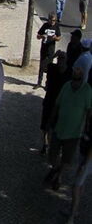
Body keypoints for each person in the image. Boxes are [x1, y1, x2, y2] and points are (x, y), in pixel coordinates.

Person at [45, 63, 92, 191]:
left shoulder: (87, 90)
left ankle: (58, 177)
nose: (77, 72)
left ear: (82, 74)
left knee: (66, 158)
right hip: (59, 127)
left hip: (74, 133)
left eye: (79, 70)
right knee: (52, 155)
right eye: (75, 69)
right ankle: (55, 169)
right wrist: (50, 120)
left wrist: (87, 129)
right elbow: (57, 104)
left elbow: (89, 112)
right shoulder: (66, 86)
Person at [41, 51, 70, 155]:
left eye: (62, 58)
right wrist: (53, 55)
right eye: (59, 58)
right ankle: (45, 145)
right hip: (49, 101)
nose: (60, 60)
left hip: (61, 104)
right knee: (45, 126)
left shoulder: (69, 73)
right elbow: (43, 67)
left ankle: (54, 147)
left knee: (57, 127)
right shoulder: (52, 68)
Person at [36, 12, 62, 88]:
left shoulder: (56, 26)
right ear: (49, 19)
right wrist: (41, 36)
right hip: (44, 48)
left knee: (50, 67)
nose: (53, 22)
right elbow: (38, 36)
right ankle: (39, 82)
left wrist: (55, 38)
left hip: (51, 49)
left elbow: (59, 37)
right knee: (42, 66)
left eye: (54, 20)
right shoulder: (45, 26)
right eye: (52, 20)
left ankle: (47, 84)